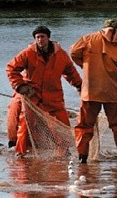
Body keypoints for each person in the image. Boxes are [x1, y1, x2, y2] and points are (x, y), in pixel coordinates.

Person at [6, 25, 82, 157]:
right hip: (32, 96)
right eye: (37, 37)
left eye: (42, 37)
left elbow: (70, 72)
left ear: (48, 38)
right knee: (25, 126)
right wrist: (20, 86)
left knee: (62, 125)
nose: (40, 40)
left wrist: (79, 85)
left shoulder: (61, 54)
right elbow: (11, 68)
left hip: (54, 96)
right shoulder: (28, 53)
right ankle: (20, 152)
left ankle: (64, 151)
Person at [70, 18, 117, 164]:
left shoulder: (88, 39)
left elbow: (73, 53)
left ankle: (82, 157)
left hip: (90, 91)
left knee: (84, 126)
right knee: (116, 125)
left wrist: (85, 65)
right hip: (113, 92)